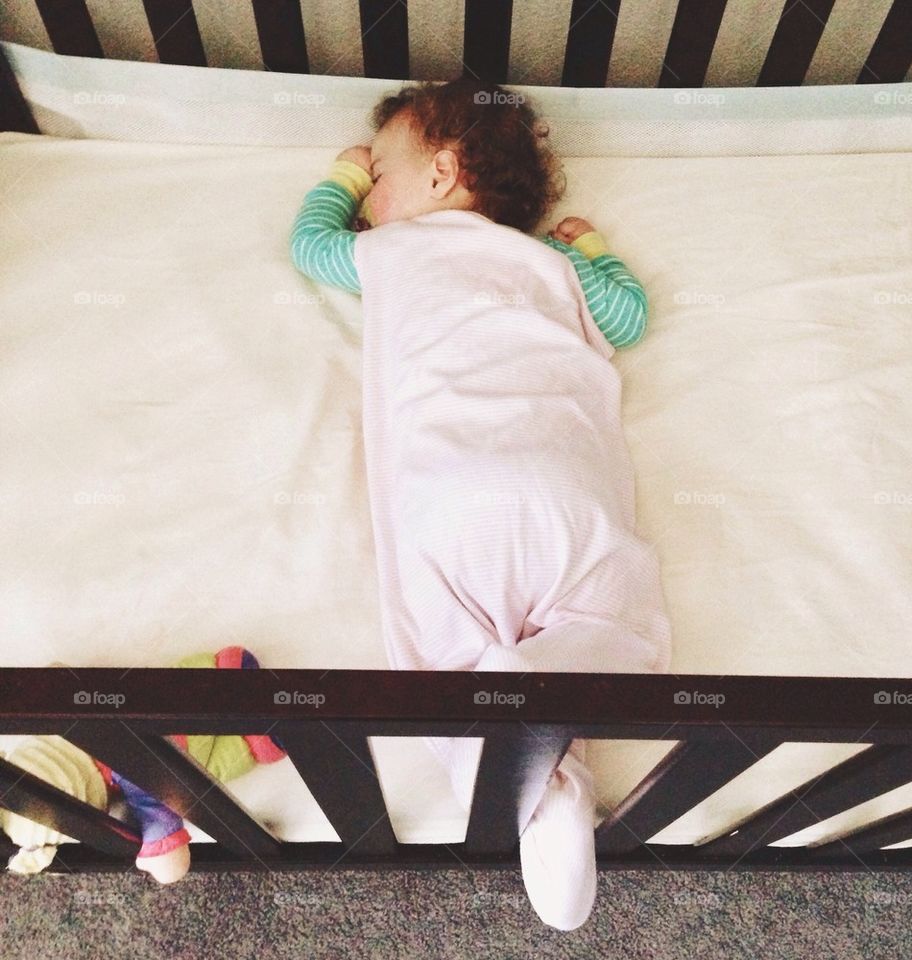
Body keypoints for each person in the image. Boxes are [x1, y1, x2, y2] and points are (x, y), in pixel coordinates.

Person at [290, 76, 672, 931]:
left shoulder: (395, 250)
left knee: (444, 662)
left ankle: (546, 789)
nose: (369, 194)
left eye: (381, 173)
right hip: (567, 484)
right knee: (614, 621)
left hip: (453, 491)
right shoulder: (550, 265)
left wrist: (340, 177)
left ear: (440, 174)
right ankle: (552, 724)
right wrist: (591, 244)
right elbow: (628, 315)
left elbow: (311, 246)